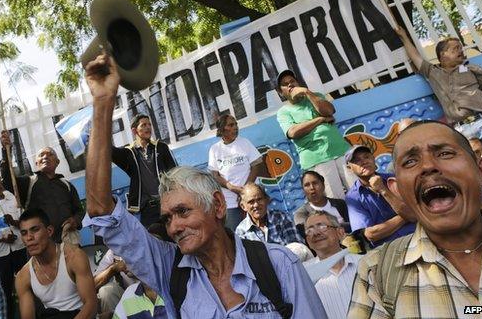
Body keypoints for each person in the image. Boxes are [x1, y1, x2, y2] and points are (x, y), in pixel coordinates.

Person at [83, 53, 326, 318]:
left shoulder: (279, 265)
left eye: (183, 211)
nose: (174, 226)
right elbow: (102, 213)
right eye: (167, 219)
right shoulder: (170, 271)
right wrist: (103, 102)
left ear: (218, 205)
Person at [348, 120, 482, 317]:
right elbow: (369, 233)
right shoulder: (375, 274)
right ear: (397, 187)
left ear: (480, 170)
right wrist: (406, 215)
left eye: (444, 153)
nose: (428, 166)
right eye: (411, 161)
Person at [396, 27, 482, 139]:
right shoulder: (433, 72)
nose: (461, 50)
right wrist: (404, 37)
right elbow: (415, 57)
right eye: (456, 48)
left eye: (461, 48)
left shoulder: (470, 68)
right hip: (461, 130)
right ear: (443, 54)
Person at [276, 70, 352, 199]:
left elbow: (329, 110)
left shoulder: (315, 96)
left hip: (341, 151)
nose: (290, 85)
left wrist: (307, 92)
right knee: (336, 199)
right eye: (285, 84)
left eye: (292, 81)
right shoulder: (283, 112)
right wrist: (320, 119)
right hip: (318, 159)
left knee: (360, 191)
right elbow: (293, 132)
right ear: (280, 92)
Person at [0, 132, 84, 243]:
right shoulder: (29, 183)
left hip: (69, 241)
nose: (45, 157)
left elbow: (79, 210)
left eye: (50, 154)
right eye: (41, 155)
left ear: (57, 162)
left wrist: (75, 220)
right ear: (36, 163)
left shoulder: (67, 185)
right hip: (41, 245)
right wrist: (6, 151)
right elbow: (7, 180)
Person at [15, 208, 97, 319]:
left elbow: (91, 306)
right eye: (24, 233)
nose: (29, 237)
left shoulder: (74, 257)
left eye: (35, 230)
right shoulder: (23, 277)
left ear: (49, 231)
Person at [112, 113, 177, 227]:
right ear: (134, 131)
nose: (148, 127)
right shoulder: (129, 154)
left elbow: (174, 173)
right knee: (153, 240)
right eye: (143, 125)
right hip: (148, 210)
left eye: (149, 124)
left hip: (167, 203)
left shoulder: (161, 147)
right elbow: (110, 152)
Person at [344, 145, 416, 248]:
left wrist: (383, 189)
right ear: (349, 168)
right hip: (388, 249)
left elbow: (414, 214)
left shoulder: (393, 179)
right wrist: (406, 215)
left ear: (373, 159)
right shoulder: (353, 198)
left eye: (366, 157)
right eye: (357, 160)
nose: (364, 162)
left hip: (416, 238)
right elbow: (370, 235)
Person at [208, 114, 264, 231]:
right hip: (230, 202)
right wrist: (232, 188)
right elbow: (215, 175)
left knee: (261, 229)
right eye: (231, 125)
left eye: (236, 124)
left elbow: (256, 165)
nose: (236, 127)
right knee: (236, 235)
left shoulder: (245, 143)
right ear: (222, 128)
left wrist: (246, 190)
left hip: (252, 198)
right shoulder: (215, 149)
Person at [302, 211, 361, 319]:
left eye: (322, 227)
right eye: (309, 230)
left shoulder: (364, 264)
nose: (316, 233)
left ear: (340, 232)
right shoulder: (302, 274)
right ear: (307, 241)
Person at [0, 174, 28, 319]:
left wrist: (13, 222)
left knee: (28, 284)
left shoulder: (13, 198)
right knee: (6, 291)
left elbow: (24, 223)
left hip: (19, 249)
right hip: (1, 255)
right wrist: (3, 238)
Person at [235, 183, 304, 245]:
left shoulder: (281, 218)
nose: (256, 205)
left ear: (267, 200)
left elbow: (297, 247)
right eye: (251, 202)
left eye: (259, 199)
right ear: (243, 206)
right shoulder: (241, 231)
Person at [293, 171, 350, 236]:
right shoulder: (301, 214)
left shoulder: (340, 204)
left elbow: (353, 224)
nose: (312, 188)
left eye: (315, 183)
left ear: (323, 185)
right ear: (303, 190)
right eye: (307, 185)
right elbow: (308, 232)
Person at [93, 250, 137, 317]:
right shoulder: (114, 251)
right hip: (126, 295)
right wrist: (112, 269)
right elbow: (92, 286)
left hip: (148, 294)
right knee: (106, 291)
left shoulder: (146, 247)